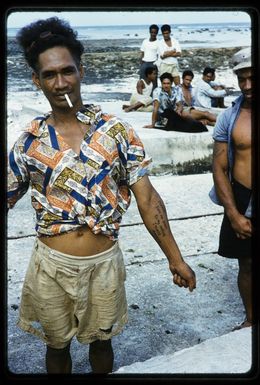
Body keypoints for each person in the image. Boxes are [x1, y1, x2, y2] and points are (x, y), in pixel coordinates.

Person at [7, 17, 196, 374]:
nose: (60, 82)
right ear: (37, 80)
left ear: (82, 70)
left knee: (102, 343)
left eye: (68, 71)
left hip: (104, 264)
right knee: (57, 347)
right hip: (51, 267)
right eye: (49, 75)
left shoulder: (117, 132)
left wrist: (175, 258)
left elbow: (148, 198)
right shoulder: (28, 143)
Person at [209, 47, 254, 331]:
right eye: (242, 79)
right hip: (242, 196)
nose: (247, 86)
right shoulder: (229, 117)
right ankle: (251, 319)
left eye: (253, 78)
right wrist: (233, 212)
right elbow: (219, 167)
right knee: (247, 264)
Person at [139, 24, 159, 90]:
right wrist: (141, 63)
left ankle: (154, 98)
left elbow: (159, 55)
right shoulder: (145, 41)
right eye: (152, 32)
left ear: (157, 33)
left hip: (153, 64)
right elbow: (142, 52)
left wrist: (157, 64)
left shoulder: (159, 42)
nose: (153, 34)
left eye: (155, 32)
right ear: (149, 32)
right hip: (144, 63)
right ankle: (142, 97)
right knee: (142, 82)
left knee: (154, 83)